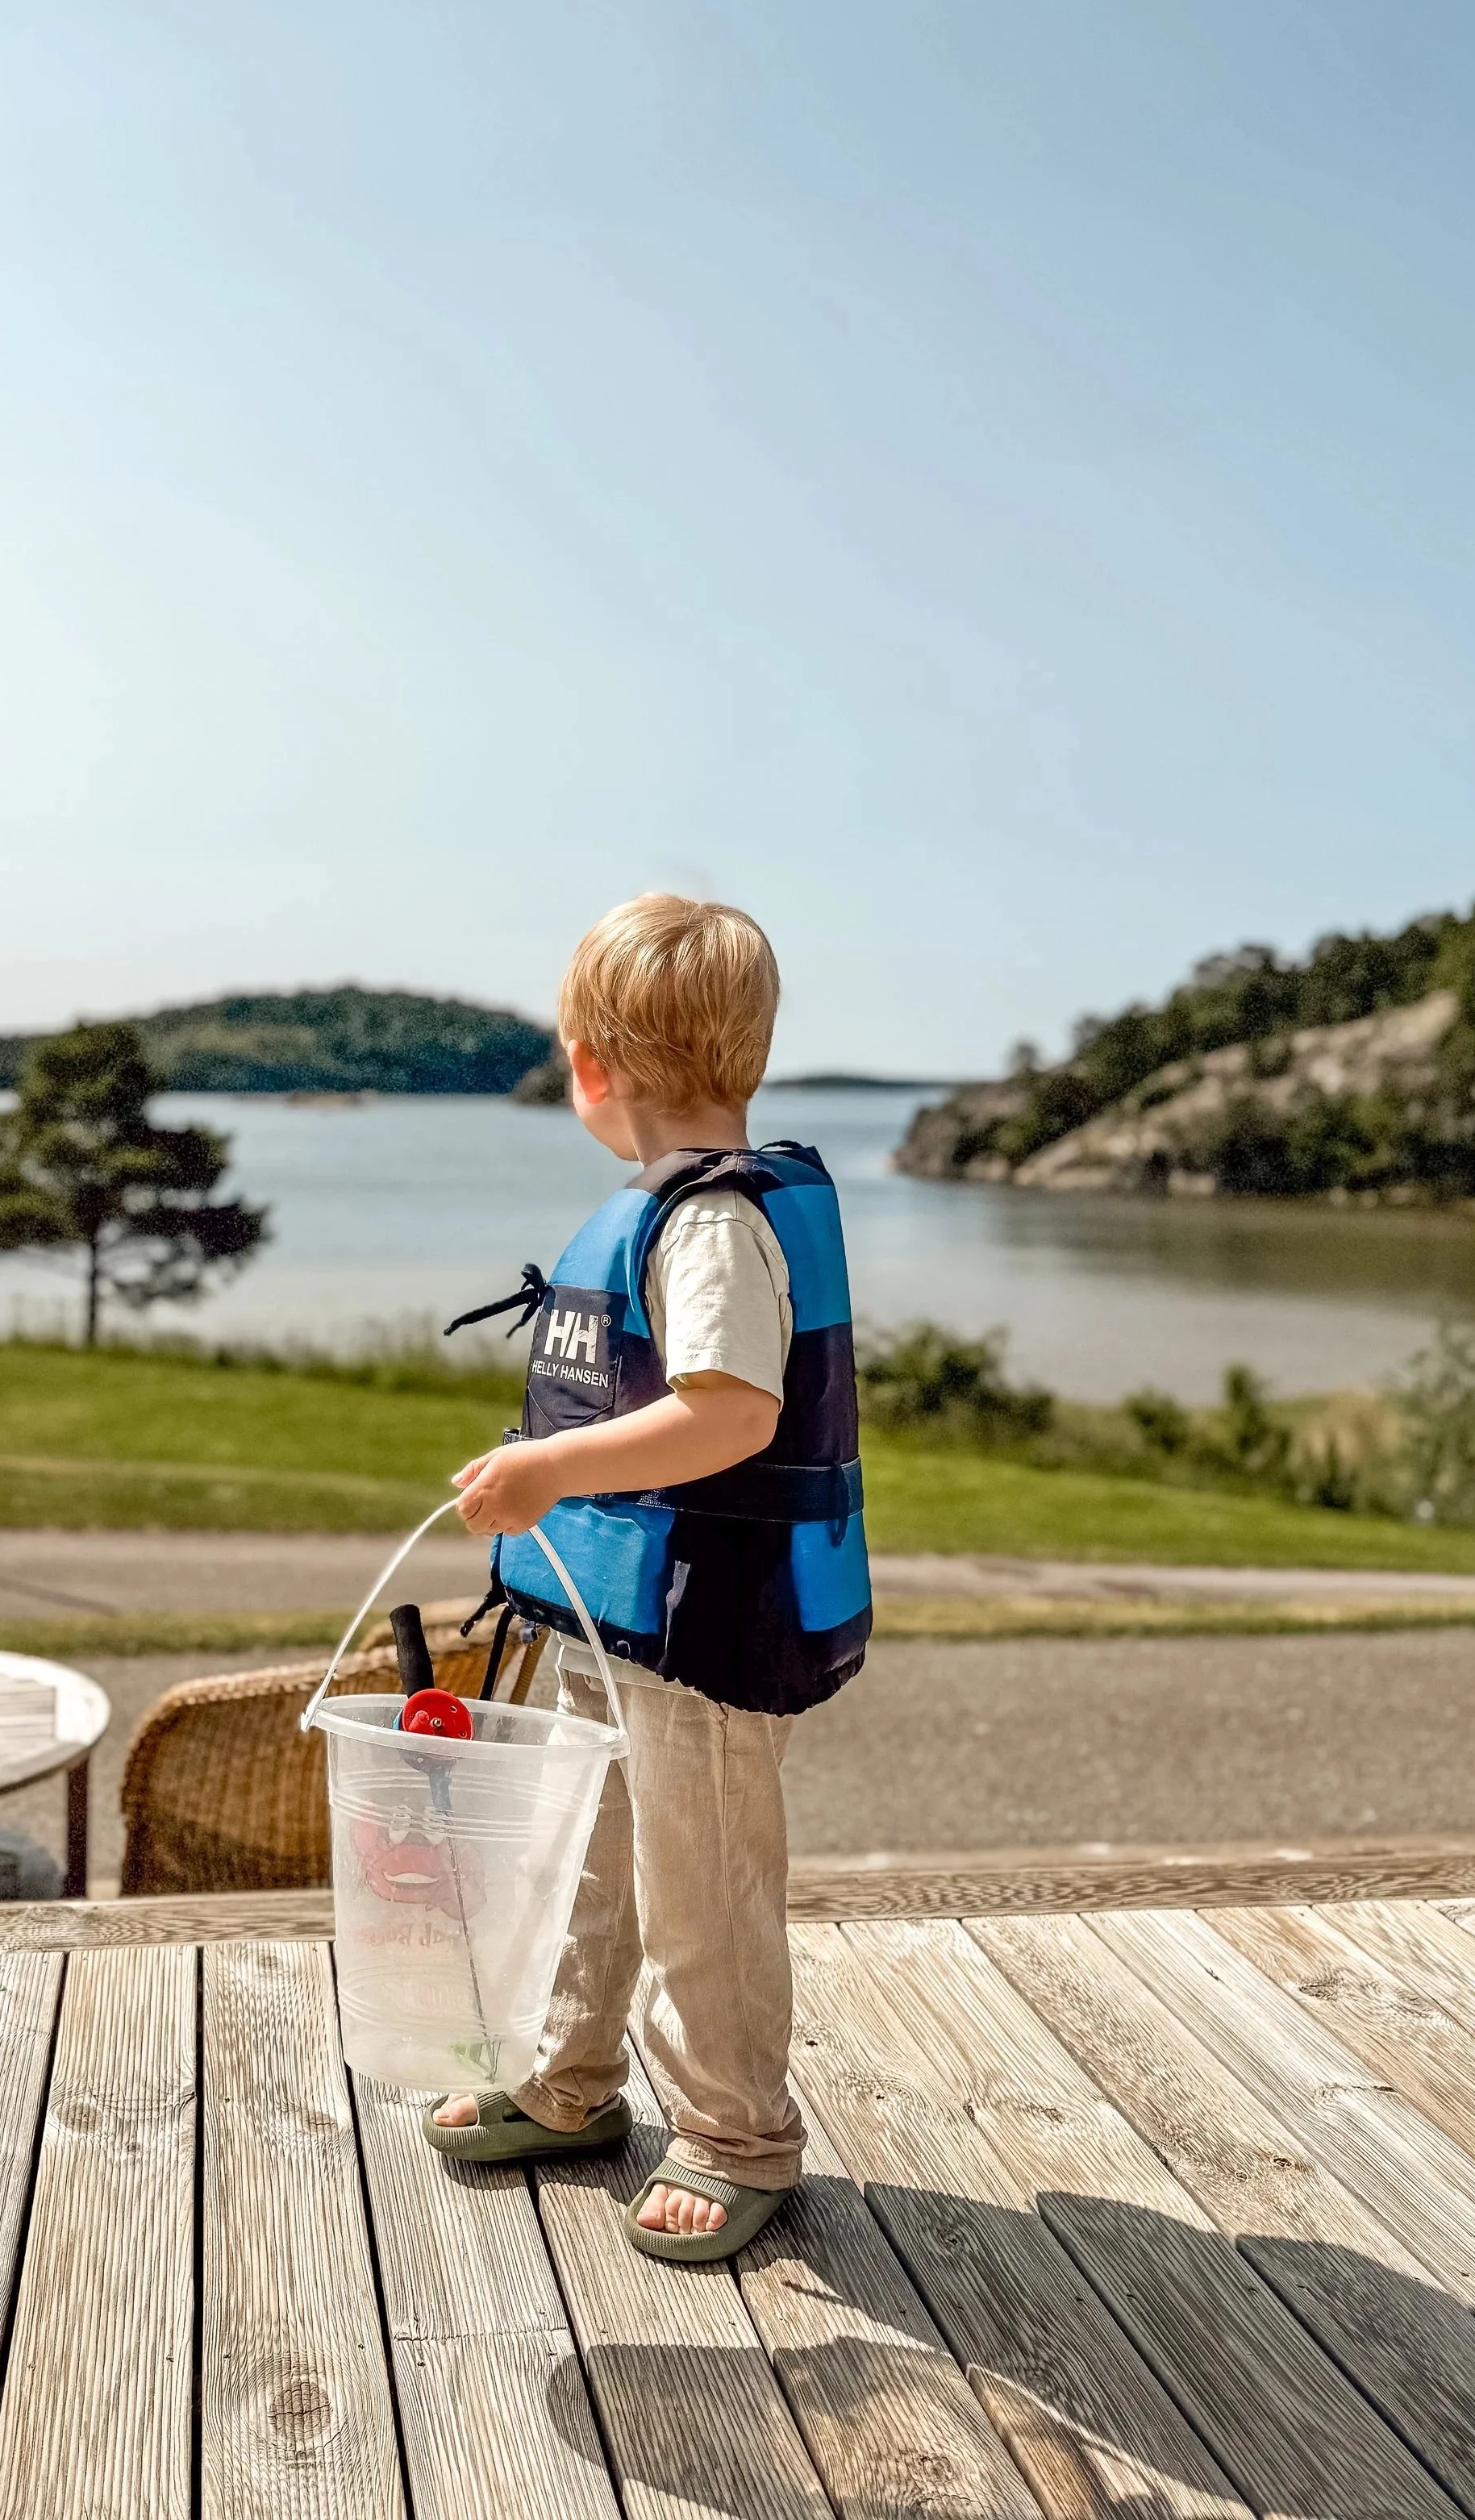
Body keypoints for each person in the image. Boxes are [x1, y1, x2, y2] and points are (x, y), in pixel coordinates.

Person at [429, 893, 872, 2264]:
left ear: (588, 1064)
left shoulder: (708, 1226)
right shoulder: (672, 1210)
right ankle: (567, 2083)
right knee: (588, 1859)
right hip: (623, 1610)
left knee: (703, 1893)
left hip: (713, 1625)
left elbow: (732, 1410)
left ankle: (736, 2134)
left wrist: (548, 1476)